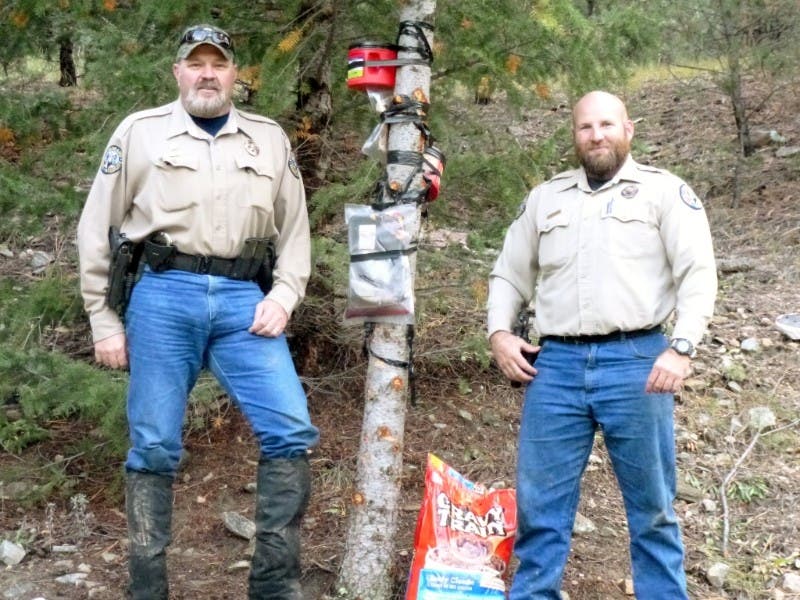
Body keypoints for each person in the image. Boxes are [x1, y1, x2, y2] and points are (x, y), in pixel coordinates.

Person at [76, 24, 319, 600]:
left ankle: (274, 587)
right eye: (196, 63)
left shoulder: (268, 138)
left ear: (236, 74)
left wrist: (284, 296)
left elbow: (296, 230)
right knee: (155, 443)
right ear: (178, 71)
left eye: (219, 64)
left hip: (245, 301)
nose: (207, 74)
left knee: (289, 430)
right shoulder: (140, 133)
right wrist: (103, 320)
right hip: (163, 294)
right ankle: (148, 589)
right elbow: (95, 227)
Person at [487, 90, 717, 599]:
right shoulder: (545, 199)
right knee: (539, 510)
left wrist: (682, 348)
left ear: (628, 130)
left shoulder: (664, 192)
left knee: (653, 511)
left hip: (638, 363)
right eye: (586, 127)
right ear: (575, 135)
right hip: (556, 367)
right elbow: (509, 273)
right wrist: (500, 331)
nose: (596, 135)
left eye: (607, 125)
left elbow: (698, 274)